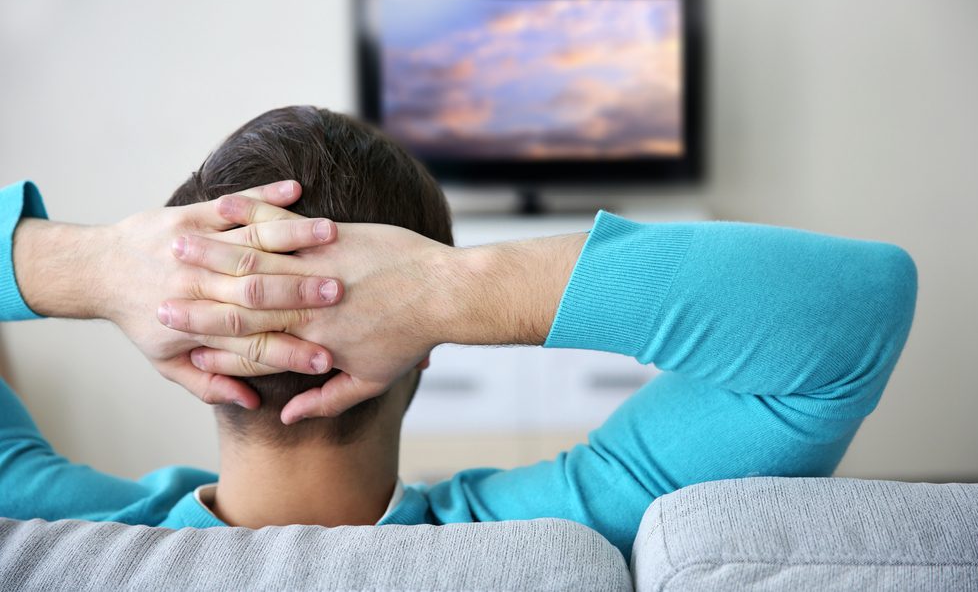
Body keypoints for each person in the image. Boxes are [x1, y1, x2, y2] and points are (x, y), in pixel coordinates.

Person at [0, 106, 918, 558]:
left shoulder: (44, 532)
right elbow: (854, 312)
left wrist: (89, 265)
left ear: (187, 348)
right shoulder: (554, 533)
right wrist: (453, 288)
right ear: (418, 350)